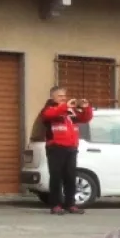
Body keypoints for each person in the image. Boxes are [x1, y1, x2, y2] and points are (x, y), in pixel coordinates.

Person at [38, 87, 93, 215]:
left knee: (70, 177)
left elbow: (85, 118)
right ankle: (56, 205)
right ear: (53, 97)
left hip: (71, 148)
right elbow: (49, 115)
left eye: (64, 96)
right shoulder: (49, 109)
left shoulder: (70, 111)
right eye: (60, 96)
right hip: (56, 148)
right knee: (56, 177)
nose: (63, 98)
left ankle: (71, 204)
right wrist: (65, 106)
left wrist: (86, 107)